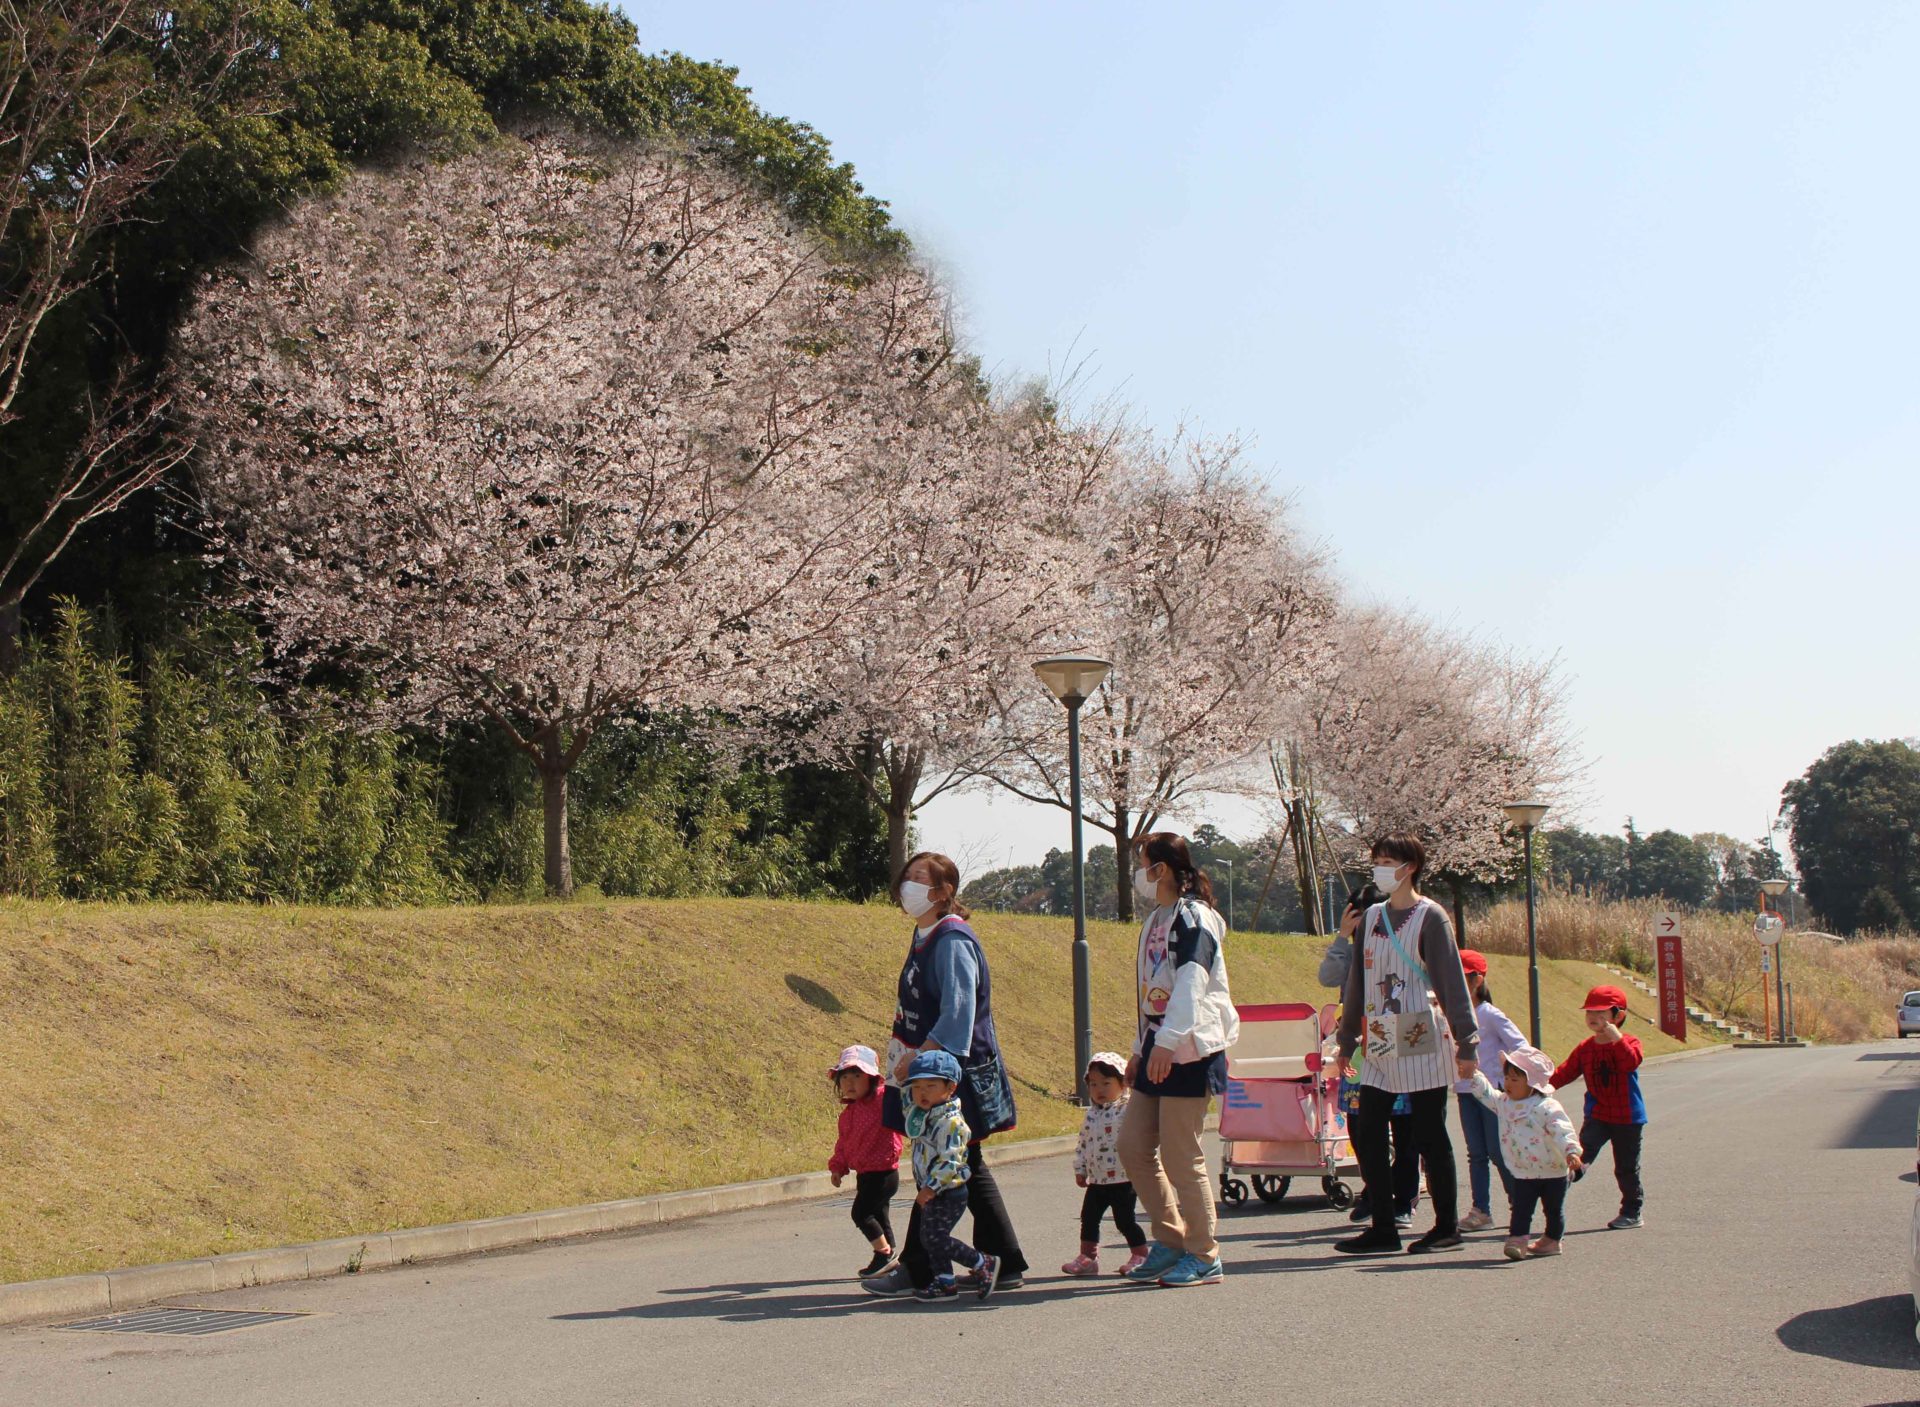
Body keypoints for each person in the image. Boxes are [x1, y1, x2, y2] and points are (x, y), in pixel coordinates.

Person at [861, 853, 1030, 1298]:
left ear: (943, 892)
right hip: (929, 1072)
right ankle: (1002, 1260)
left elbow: (959, 1012)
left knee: (947, 1161)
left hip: (949, 1073)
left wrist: (918, 1057)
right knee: (962, 1164)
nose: (908, 887)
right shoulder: (925, 934)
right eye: (908, 878)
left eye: (920, 880)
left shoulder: (952, 938)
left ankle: (922, 1266)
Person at [1329, 833, 1481, 1255]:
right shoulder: (1373, 916)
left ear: (1409, 866)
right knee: (1370, 1128)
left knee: (1429, 1130)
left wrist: (1467, 1042)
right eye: (1376, 860)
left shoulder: (1430, 917)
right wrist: (1347, 1039)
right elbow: (1356, 980)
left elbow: (1451, 981)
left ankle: (1446, 1225)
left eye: (1388, 860)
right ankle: (1383, 1225)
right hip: (1378, 1032)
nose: (1380, 868)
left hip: (1418, 1028)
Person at [1118, 831, 1239, 1288]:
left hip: (1190, 1048)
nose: (1140, 874)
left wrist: (1167, 1042)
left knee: (1180, 1154)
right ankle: (1169, 1240)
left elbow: (1192, 982)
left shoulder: (1195, 918)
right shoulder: (1156, 920)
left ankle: (1204, 1254)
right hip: (1157, 1045)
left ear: (1161, 869)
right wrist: (1138, 1049)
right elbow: (1153, 992)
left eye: (1143, 863)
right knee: (1133, 1145)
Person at [1322, 885, 1420, 1230]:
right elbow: (1328, 978)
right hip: (1359, 1045)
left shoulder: (1400, 944)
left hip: (1397, 1036)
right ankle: (1375, 1191)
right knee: (1360, 1125)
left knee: (1404, 1123)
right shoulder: (1350, 950)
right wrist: (1343, 937)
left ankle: (1404, 1198)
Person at [900, 1050, 1001, 1302]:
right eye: (917, 1086)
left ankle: (982, 1262)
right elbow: (905, 1103)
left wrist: (931, 1187)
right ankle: (945, 1282)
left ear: (950, 1088)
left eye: (931, 1086)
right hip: (933, 1189)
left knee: (935, 1238)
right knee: (929, 1238)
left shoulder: (951, 1122)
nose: (922, 1092)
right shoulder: (924, 1114)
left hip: (948, 1191)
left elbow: (951, 1160)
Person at [1463, 1046, 1582, 1259]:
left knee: (1553, 1210)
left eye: (1515, 1080)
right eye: (1506, 1078)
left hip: (1553, 1170)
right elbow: (1487, 1095)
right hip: (1523, 1170)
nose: (1507, 1084)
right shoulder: (1505, 1103)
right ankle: (1517, 1240)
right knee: (1521, 1209)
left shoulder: (1546, 1106)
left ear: (1532, 1084)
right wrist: (1475, 1074)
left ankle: (1553, 1240)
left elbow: (1562, 1130)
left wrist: (1571, 1151)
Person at [1552, 985, 1647, 1231]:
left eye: (1600, 1013)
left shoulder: (1630, 1042)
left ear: (1618, 1016)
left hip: (1628, 1118)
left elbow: (1630, 1062)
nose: (1593, 1018)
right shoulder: (1586, 1048)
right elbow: (1565, 1072)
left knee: (1625, 1168)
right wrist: (1538, 1088)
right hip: (1598, 1116)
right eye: (1589, 1012)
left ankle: (1631, 1211)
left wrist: (1617, 1039)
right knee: (1578, 1157)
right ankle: (1554, 1198)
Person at [1455, 950, 1526, 1231]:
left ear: (1477, 979)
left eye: (1462, 977)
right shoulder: (1452, 1013)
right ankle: (1481, 1211)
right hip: (1464, 1090)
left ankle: (1520, 1202)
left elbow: (1520, 1046)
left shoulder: (1490, 1015)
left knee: (1498, 1151)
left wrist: (1507, 1075)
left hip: (1493, 1093)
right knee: (1476, 1153)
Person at [1063, 1051, 1150, 1277]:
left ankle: (1140, 1254)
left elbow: (1143, 1135)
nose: (1099, 1090)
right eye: (1093, 1084)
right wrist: (1080, 1169)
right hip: (1098, 1180)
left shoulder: (1128, 1109)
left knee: (1124, 1220)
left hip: (1124, 1178)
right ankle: (1088, 1257)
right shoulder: (1092, 1114)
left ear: (1123, 1084)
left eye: (1106, 1083)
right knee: (1089, 1217)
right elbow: (1083, 1143)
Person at [826, 1044, 905, 1278]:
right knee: (879, 1215)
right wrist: (837, 1167)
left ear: (872, 1079)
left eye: (858, 1076)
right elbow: (843, 1144)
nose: (850, 1082)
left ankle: (883, 1252)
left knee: (861, 1214)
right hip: (865, 1174)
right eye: (845, 1076)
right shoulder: (848, 1114)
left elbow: (898, 1097)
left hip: (884, 1172)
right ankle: (888, 1258)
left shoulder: (882, 1099)